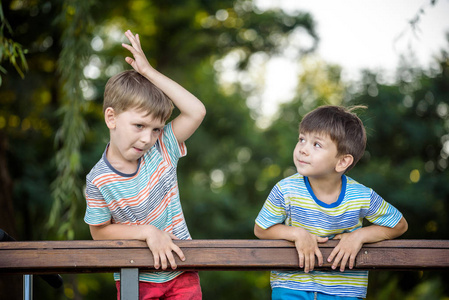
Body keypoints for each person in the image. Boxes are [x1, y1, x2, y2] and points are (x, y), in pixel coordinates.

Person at [84, 30, 206, 299]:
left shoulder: (163, 147)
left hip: (181, 269)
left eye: (155, 129)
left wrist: (148, 71)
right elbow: (99, 231)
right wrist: (147, 232)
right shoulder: (98, 179)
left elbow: (196, 111)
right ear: (111, 118)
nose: (147, 138)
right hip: (134, 276)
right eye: (139, 125)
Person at [254, 105, 408, 300]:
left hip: (345, 292)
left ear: (342, 162)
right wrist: (297, 234)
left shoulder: (361, 195)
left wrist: (359, 236)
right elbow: (261, 229)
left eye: (316, 144)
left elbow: (399, 225)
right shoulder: (286, 190)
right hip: (291, 286)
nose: (303, 149)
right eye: (302, 139)